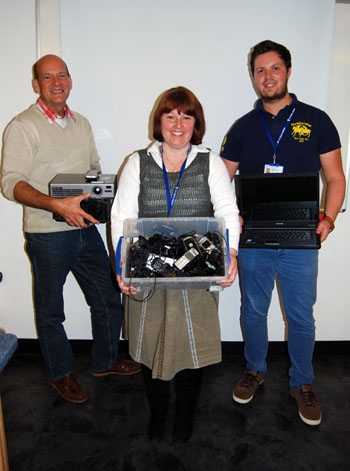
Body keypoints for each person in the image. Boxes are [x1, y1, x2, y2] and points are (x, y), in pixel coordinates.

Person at [1, 54, 140, 404]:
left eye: (62, 75)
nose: (56, 82)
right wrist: (56, 204)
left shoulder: (82, 123)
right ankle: (60, 373)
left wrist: (101, 198)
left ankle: (105, 361)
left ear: (70, 80)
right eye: (47, 77)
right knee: (51, 311)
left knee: (108, 297)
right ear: (37, 85)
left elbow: (93, 168)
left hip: (84, 229)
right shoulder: (22, 126)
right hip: (46, 236)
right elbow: (10, 183)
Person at [220, 40, 346, 426]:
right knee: (254, 310)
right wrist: (231, 221)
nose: (267, 76)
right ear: (253, 76)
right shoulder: (242, 127)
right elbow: (222, 182)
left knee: (301, 316)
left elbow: (336, 177)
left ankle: (302, 383)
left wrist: (329, 218)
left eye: (274, 68)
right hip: (254, 236)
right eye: (260, 70)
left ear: (288, 72)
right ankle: (254, 369)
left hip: (300, 236)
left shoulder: (318, 120)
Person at [110, 86, 240, 443]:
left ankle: (185, 416)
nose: (178, 123)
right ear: (160, 121)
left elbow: (228, 212)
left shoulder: (210, 162)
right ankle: (158, 414)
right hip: (148, 271)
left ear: (196, 122)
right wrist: (121, 266)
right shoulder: (137, 162)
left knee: (191, 351)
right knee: (150, 349)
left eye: (186, 115)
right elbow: (121, 216)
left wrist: (231, 254)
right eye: (170, 115)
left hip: (197, 270)